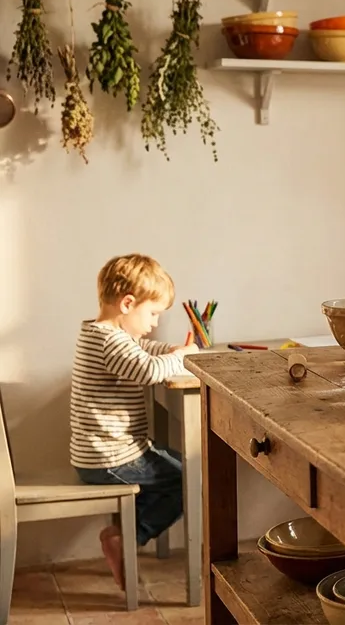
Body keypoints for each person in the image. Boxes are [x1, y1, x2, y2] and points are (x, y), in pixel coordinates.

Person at [70, 253, 198, 590]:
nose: (155, 322)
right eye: (153, 313)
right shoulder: (109, 341)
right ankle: (128, 538)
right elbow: (147, 369)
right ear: (128, 304)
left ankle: (128, 532)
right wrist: (179, 357)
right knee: (191, 480)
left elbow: (141, 348)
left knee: (187, 471)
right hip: (110, 458)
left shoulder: (102, 334)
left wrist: (169, 348)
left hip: (106, 453)